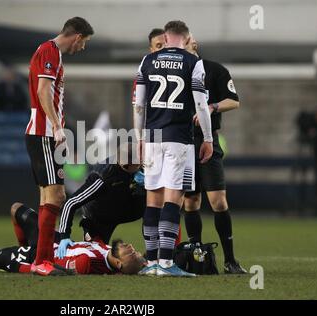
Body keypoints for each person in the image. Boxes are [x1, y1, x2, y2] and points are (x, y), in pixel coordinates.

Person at [133, 20, 213, 277]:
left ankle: (152, 261)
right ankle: (167, 263)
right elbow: (201, 106)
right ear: (187, 38)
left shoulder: (147, 61)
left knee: (152, 200)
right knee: (173, 198)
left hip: (153, 137)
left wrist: (139, 138)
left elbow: (138, 105)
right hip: (178, 138)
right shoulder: (193, 62)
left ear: (166, 38)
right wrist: (208, 138)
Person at [24, 17, 94, 271]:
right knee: (56, 194)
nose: (82, 47)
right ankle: (43, 260)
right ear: (76, 37)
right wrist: (56, 126)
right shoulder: (50, 50)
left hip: (43, 134)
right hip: (44, 134)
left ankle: (41, 260)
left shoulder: (51, 53)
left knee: (48, 195)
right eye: (84, 42)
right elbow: (44, 91)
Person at [0, 202, 146, 275]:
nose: (131, 247)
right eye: (134, 250)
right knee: (16, 209)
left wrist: (23, 265)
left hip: (38, 255)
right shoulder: (105, 249)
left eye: (131, 254)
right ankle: (22, 247)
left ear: (118, 263)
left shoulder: (86, 263)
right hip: (49, 239)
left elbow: (52, 266)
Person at [181, 36, 247, 274]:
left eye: (183, 45)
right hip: (182, 141)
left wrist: (211, 107)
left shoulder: (215, 70)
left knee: (218, 201)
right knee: (191, 201)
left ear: (193, 45)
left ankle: (230, 260)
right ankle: (196, 257)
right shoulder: (176, 72)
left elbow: (234, 101)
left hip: (208, 139)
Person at [56, 143, 145, 257]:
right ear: (126, 165)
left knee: (153, 207)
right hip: (99, 217)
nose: (142, 165)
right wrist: (64, 236)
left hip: (125, 208)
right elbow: (70, 203)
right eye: (138, 164)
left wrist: (148, 183)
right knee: (94, 256)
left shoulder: (137, 164)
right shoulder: (102, 178)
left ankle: (154, 256)